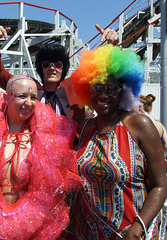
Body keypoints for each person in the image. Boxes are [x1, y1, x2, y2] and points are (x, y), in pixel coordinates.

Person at [0, 74, 82, 239]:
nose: (29, 102)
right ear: (6, 98)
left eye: (33, 97)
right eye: (22, 96)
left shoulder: (45, 139)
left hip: (32, 226)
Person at [65, 44, 167, 239]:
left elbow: (160, 185)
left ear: (123, 91)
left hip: (130, 234)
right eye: (96, 87)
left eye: (111, 88)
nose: (102, 95)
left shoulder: (139, 125)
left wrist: (138, 228)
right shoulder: (86, 127)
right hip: (87, 232)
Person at [0, 24, 118, 126]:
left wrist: (112, 46)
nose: (52, 68)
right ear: (41, 68)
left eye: (58, 64)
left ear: (63, 68)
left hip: (72, 155)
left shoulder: (75, 84)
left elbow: (103, 72)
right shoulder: (29, 87)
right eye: (46, 64)